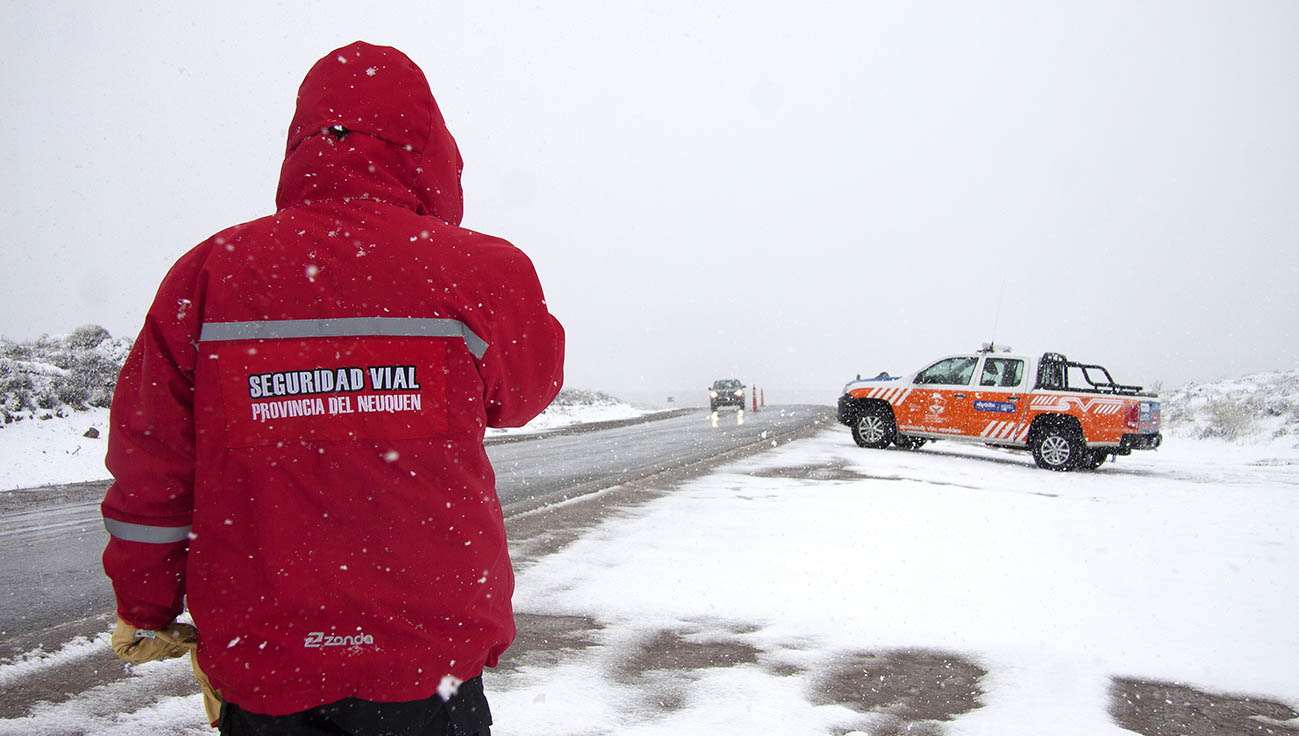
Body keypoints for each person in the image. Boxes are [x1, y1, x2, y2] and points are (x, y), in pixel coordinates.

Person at [100, 41, 565, 735]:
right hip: (428, 658)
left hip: (265, 659)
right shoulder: (480, 271)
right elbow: (524, 396)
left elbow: (152, 466)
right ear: (431, 150)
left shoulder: (209, 273)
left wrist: (145, 605)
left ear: (301, 144)